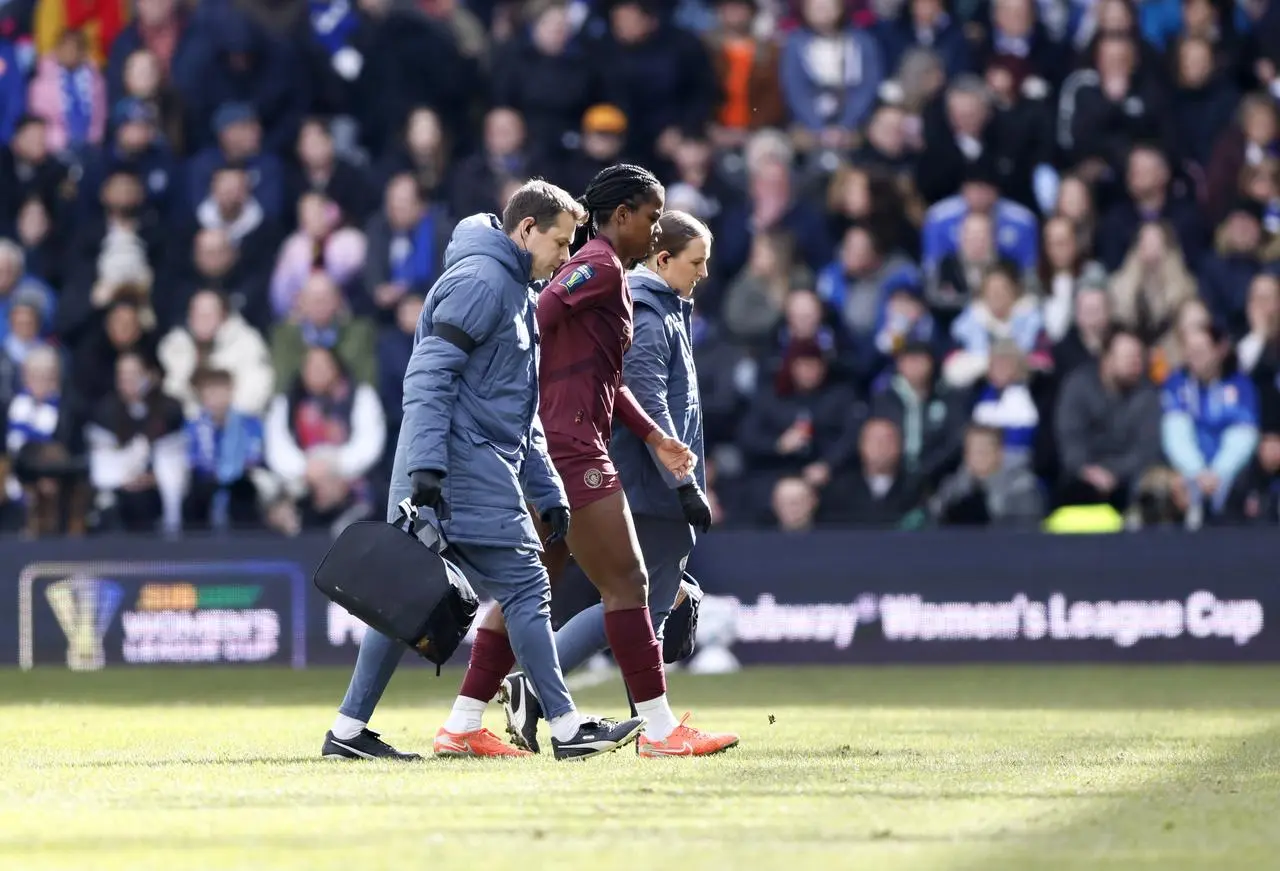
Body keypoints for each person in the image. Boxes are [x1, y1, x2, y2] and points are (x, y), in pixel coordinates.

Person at [322, 180, 644, 762]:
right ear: (525, 231)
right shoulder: (483, 283)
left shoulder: (513, 288)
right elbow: (426, 378)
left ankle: (348, 731)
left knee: (406, 597)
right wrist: (424, 472)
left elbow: (519, 408)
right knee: (525, 585)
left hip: (463, 467)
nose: (567, 259)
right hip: (460, 471)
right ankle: (568, 727)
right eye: (561, 243)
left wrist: (546, 489)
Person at [452, 164, 738, 759]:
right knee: (628, 582)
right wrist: (505, 378)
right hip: (571, 447)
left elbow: (607, 376)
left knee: (527, 587)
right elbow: (537, 315)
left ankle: (462, 723)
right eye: (653, 218)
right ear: (624, 214)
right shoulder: (601, 265)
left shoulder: (612, 273)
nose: (657, 232)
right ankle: (659, 732)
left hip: (559, 439)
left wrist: (655, 436)